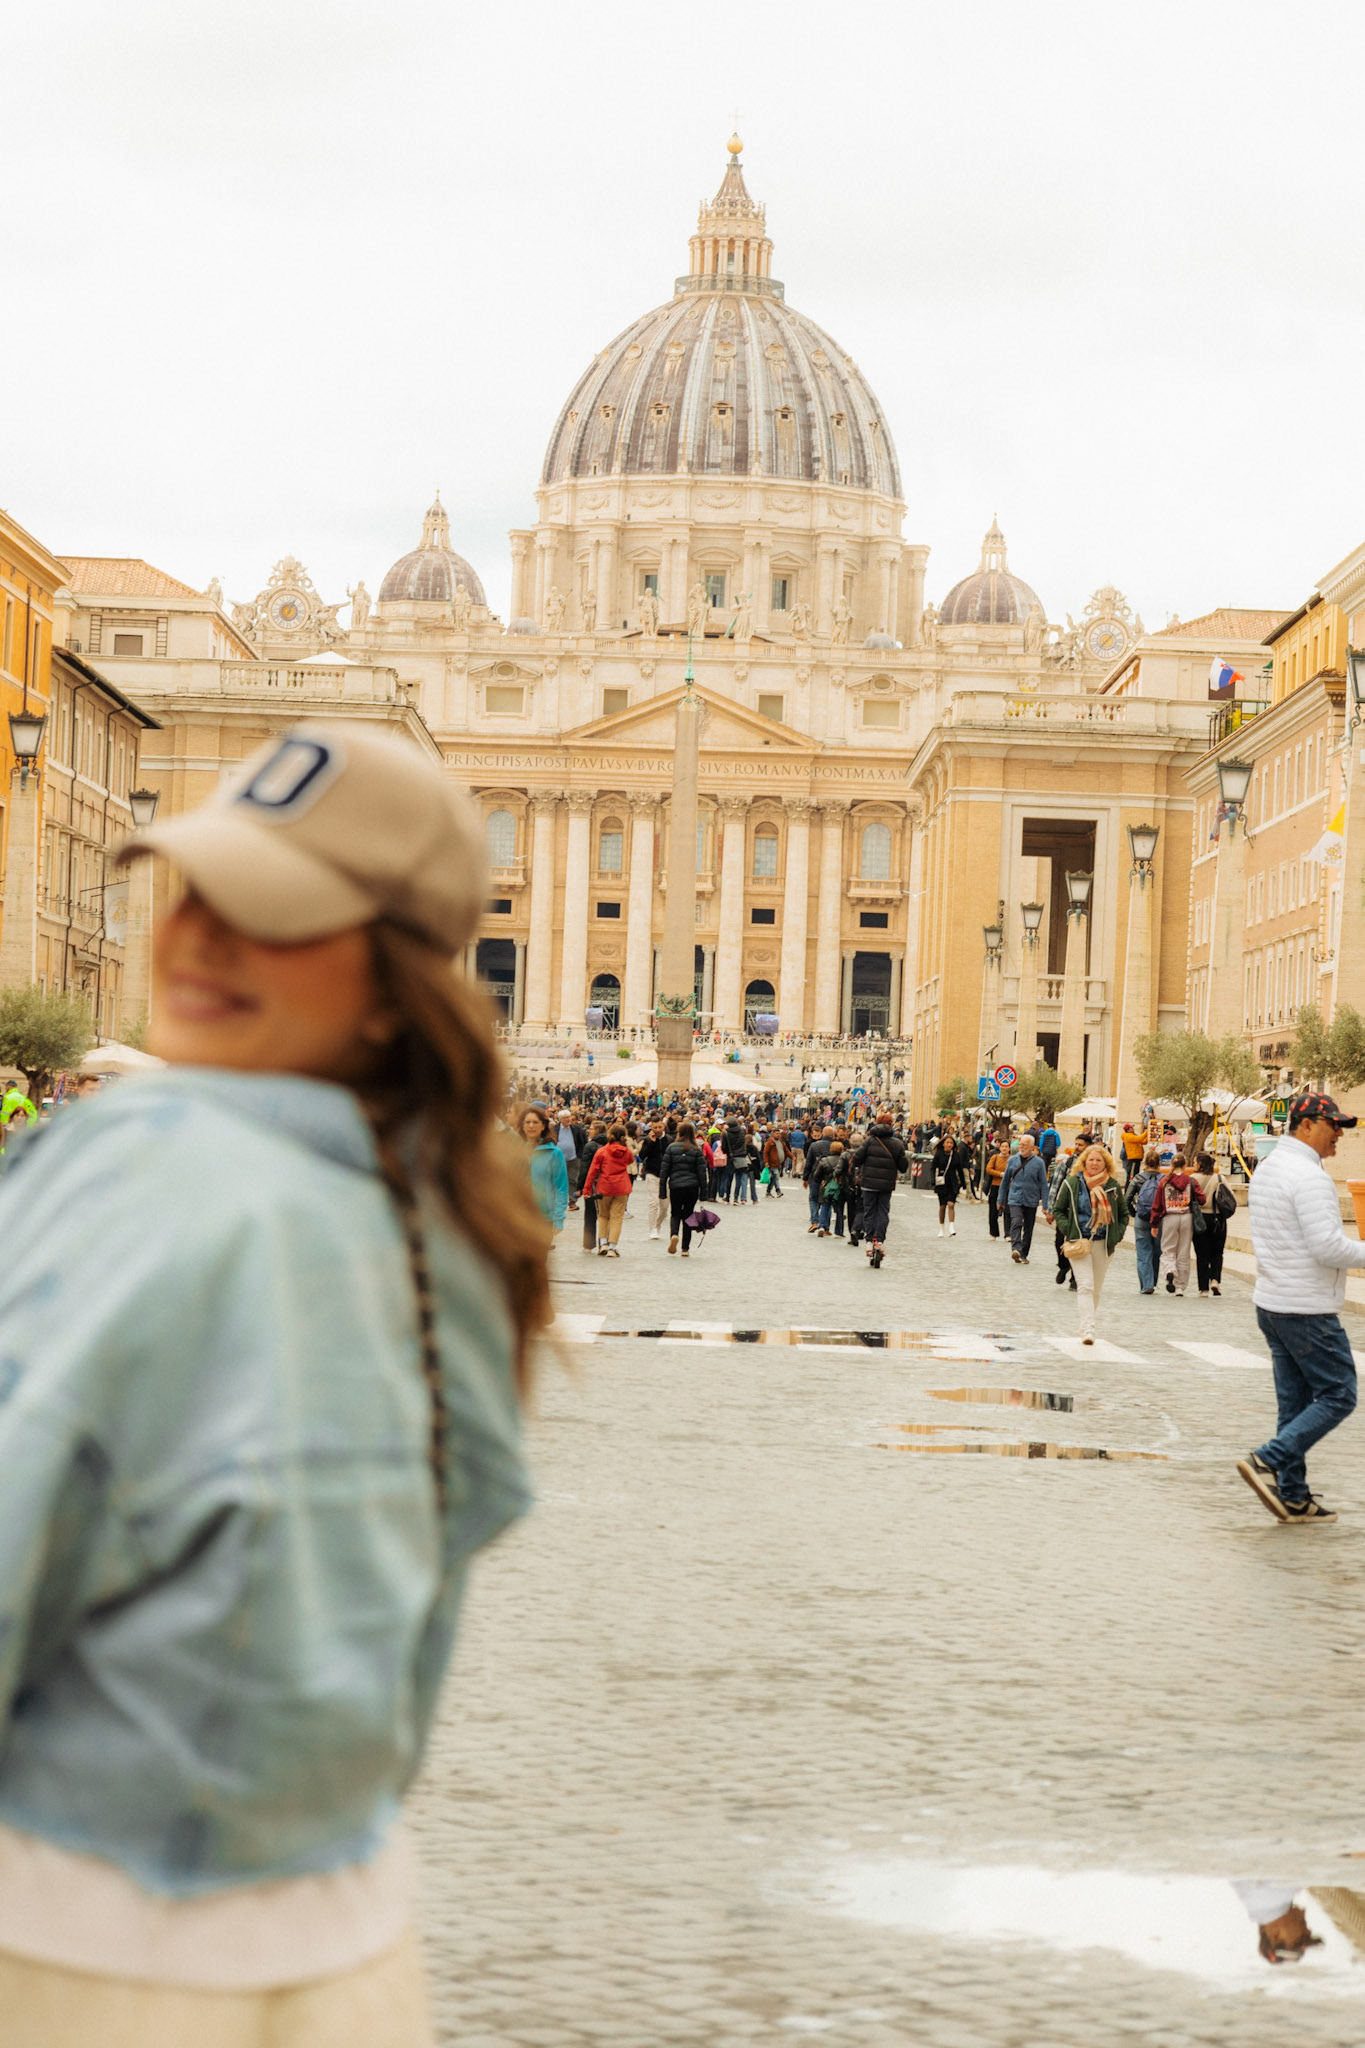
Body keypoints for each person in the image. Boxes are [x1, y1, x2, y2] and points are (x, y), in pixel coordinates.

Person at [0, 723, 550, 2044]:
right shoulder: (453, 1218)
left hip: (68, 1952)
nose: (198, 937)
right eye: (195, 889)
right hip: (345, 1946)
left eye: (271, 913)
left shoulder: (149, 1153)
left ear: (392, 984)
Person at [1237, 1092, 1363, 1524]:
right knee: (1340, 1393)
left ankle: (1292, 1495)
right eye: (1333, 1126)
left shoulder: (1270, 1166)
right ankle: (1268, 1459)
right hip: (1306, 1308)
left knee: (1294, 1406)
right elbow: (1328, 1247)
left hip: (1272, 1302)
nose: (1339, 1135)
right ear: (1306, 1125)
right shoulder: (1310, 1177)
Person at [1051, 1143, 1130, 1344]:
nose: (1094, 1163)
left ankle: (1085, 1324)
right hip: (1080, 1241)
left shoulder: (1112, 1186)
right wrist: (1069, 1229)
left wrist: (1117, 1235)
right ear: (1084, 1162)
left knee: (1095, 1289)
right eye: (1091, 1160)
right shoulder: (1072, 1183)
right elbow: (1058, 1210)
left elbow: (1123, 1214)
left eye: (1098, 1160)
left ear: (1105, 1163)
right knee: (1085, 1286)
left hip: (1103, 1242)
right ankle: (1089, 1329)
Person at [851, 1112, 908, 1268]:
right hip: (886, 1185)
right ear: (891, 1125)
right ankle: (880, 1241)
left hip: (869, 1183)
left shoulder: (869, 1141)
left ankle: (869, 1241)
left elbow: (857, 1159)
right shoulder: (897, 1144)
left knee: (869, 1212)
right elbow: (903, 1167)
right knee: (883, 1212)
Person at [581, 1120, 634, 1255]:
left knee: (603, 1216)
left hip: (604, 1187)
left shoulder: (602, 1151)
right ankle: (612, 1247)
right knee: (617, 1217)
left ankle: (603, 1244)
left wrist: (586, 1189)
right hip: (621, 1187)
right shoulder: (626, 1152)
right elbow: (630, 1161)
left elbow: (592, 1171)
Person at [660, 1119, 710, 1256]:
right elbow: (702, 1173)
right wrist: (704, 1193)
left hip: (676, 1186)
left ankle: (674, 1234)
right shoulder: (696, 1150)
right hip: (692, 1187)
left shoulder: (671, 1148)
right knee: (688, 1215)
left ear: (679, 1133)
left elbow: (664, 1171)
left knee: (675, 1213)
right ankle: (685, 1249)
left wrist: (662, 1191)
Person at [1151, 1153, 1197, 1297]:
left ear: (1171, 1165)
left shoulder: (1165, 1181)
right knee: (1183, 1251)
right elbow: (1201, 1198)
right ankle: (1180, 1287)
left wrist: (1154, 1223)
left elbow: (1157, 1204)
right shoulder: (1190, 1180)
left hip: (1170, 1216)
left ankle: (1169, 1271)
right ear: (1185, 1165)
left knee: (1168, 1249)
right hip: (1186, 1216)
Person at [1000, 1134, 1048, 1265]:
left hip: (1031, 1199)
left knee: (1028, 1227)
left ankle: (1024, 1253)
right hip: (1015, 1197)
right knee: (1016, 1222)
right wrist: (1000, 1199)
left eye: (1024, 1145)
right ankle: (1016, 1249)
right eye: (1020, 1144)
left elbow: (1044, 1184)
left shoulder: (1039, 1163)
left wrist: (1045, 1204)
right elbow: (1005, 1181)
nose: (1021, 1147)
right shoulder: (1012, 1160)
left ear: (1032, 1147)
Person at [522, 1105, 569, 1235]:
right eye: (527, 1122)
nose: (531, 1126)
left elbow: (561, 1188)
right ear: (523, 1125)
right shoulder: (515, 1150)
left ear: (543, 1126)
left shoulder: (554, 1153)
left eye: (535, 1122)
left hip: (544, 1217)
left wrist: (558, 1218)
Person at [1192, 1149, 1232, 1297]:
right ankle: (1215, 1280)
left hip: (1199, 1218)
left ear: (1200, 1164)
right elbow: (1230, 1196)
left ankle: (1203, 1288)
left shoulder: (1193, 1179)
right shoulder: (1220, 1178)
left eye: (1195, 1162)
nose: (1193, 1164)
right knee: (1217, 1252)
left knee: (1201, 1254)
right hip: (1218, 1219)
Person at [1131, 1146, 1162, 1293]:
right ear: (1159, 1163)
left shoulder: (1138, 1179)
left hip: (1142, 1217)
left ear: (1145, 1162)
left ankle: (1146, 1284)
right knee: (1157, 1251)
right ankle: (1153, 1281)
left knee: (1143, 1251)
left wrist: (1134, 1213)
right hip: (1159, 1219)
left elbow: (1127, 1198)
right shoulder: (1164, 1179)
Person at [636, 1115, 669, 1239]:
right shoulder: (647, 1139)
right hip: (652, 1173)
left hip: (666, 1175)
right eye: (655, 1127)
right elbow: (642, 1155)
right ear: (652, 1128)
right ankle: (652, 1229)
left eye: (660, 1127)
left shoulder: (669, 1140)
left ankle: (658, 1225)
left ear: (663, 1127)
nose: (658, 1130)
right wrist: (651, 1142)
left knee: (664, 1207)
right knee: (653, 1203)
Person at [930, 1132, 961, 1237]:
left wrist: (963, 1183)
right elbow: (932, 1167)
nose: (949, 1145)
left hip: (953, 1182)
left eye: (951, 1143)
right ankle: (941, 1228)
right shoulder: (939, 1154)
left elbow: (960, 1170)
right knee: (942, 1206)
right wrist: (933, 1180)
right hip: (941, 1182)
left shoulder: (955, 1155)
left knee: (951, 1204)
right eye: (947, 1142)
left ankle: (951, 1226)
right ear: (943, 1144)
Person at [815, 1139, 848, 1237]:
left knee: (825, 1206)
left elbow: (816, 1175)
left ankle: (821, 1226)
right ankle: (838, 1231)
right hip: (840, 1186)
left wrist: (822, 1180)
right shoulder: (844, 1161)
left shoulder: (824, 1160)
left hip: (826, 1185)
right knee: (839, 1209)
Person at [984, 1135, 1010, 1240]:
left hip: (1008, 1187)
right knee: (993, 1211)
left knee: (1008, 1210)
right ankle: (993, 1233)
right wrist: (1000, 1174)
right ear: (1000, 1147)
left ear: (1009, 1148)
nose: (1004, 1148)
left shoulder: (1012, 1159)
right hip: (995, 1185)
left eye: (1006, 1146)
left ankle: (1008, 1234)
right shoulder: (995, 1157)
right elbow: (988, 1169)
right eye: (1002, 1146)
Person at [762, 1125, 786, 1198]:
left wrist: (792, 1156)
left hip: (778, 1163)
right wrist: (766, 1162)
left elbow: (786, 1150)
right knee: (776, 1176)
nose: (778, 1135)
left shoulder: (780, 1142)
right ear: (773, 1134)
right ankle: (778, 1191)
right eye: (776, 1133)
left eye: (779, 1133)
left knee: (773, 1178)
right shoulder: (770, 1142)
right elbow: (765, 1152)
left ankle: (768, 1192)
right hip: (772, 1163)